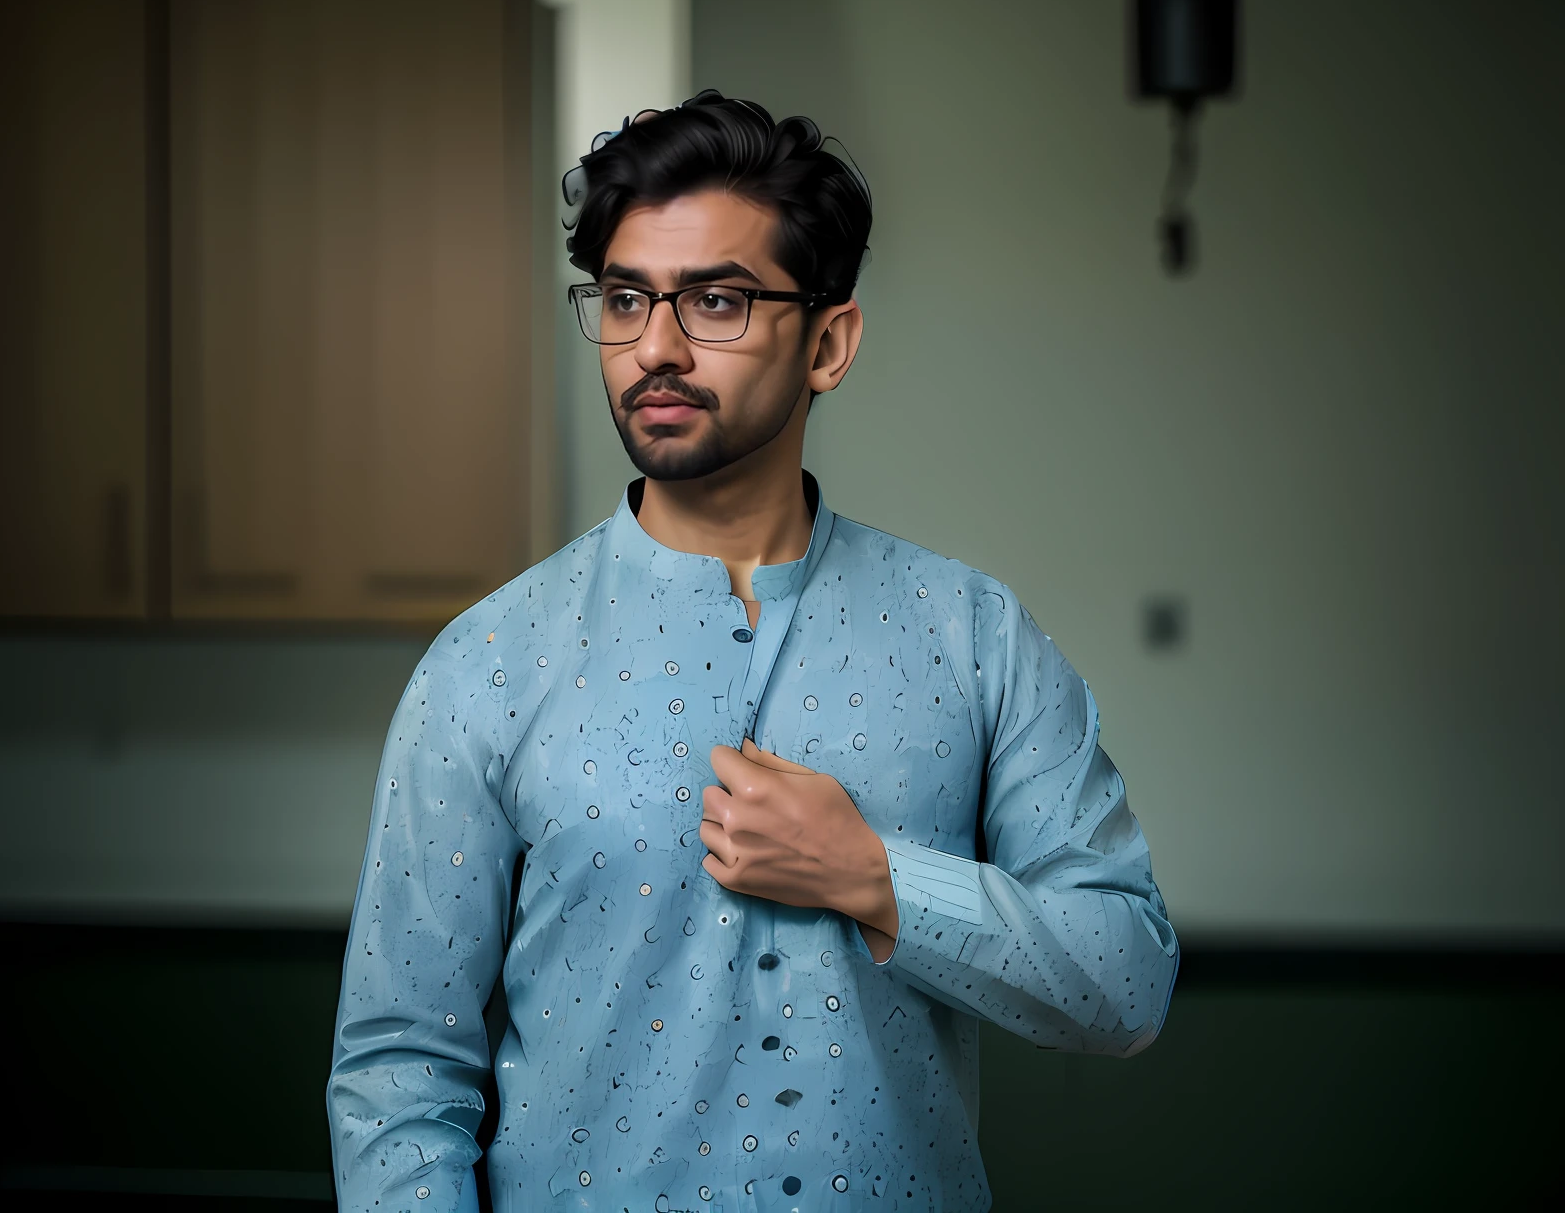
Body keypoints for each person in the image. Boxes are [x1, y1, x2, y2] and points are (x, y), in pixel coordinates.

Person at [327, 92, 1177, 1213]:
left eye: (715, 301)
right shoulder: (486, 662)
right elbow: (399, 1074)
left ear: (827, 342)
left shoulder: (972, 636)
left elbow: (1124, 975)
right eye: (625, 300)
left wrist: (876, 879)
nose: (656, 348)